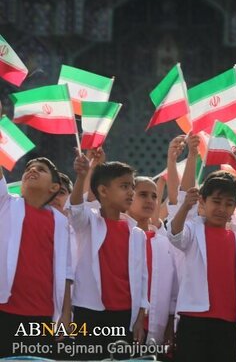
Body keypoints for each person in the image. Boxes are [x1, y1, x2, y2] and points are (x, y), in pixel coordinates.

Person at [169, 171, 236, 362]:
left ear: (234, 206)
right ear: (203, 201)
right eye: (216, 201)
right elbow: (175, 236)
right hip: (193, 318)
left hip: (229, 323)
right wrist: (185, 206)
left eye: (228, 204)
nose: (221, 209)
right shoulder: (193, 229)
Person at [69, 154, 149, 359]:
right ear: (103, 191)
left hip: (125, 315)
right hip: (89, 311)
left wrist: (140, 318)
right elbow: (76, 209)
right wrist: (82, 176)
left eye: (132, 186)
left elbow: (142, 279)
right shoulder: (88, 223)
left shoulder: (136, 233)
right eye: (124, 186)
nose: (131, 192)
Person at [0, 159, 73, 358]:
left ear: (54, 187)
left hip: (42, 316)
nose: (32, 170)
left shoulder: (61, 222)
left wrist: (65, 314)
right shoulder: (5, 202)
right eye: (29, 169)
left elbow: (66, 271)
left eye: (41, 170)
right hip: (4, 309)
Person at [126, 176, 178, 350]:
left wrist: (170, 327)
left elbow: (173, 292)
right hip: (122, 324)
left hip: (155, 332)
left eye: (154, 196)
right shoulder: (121, 236)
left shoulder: (165, 244)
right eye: (143, 194)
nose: (150, 201)